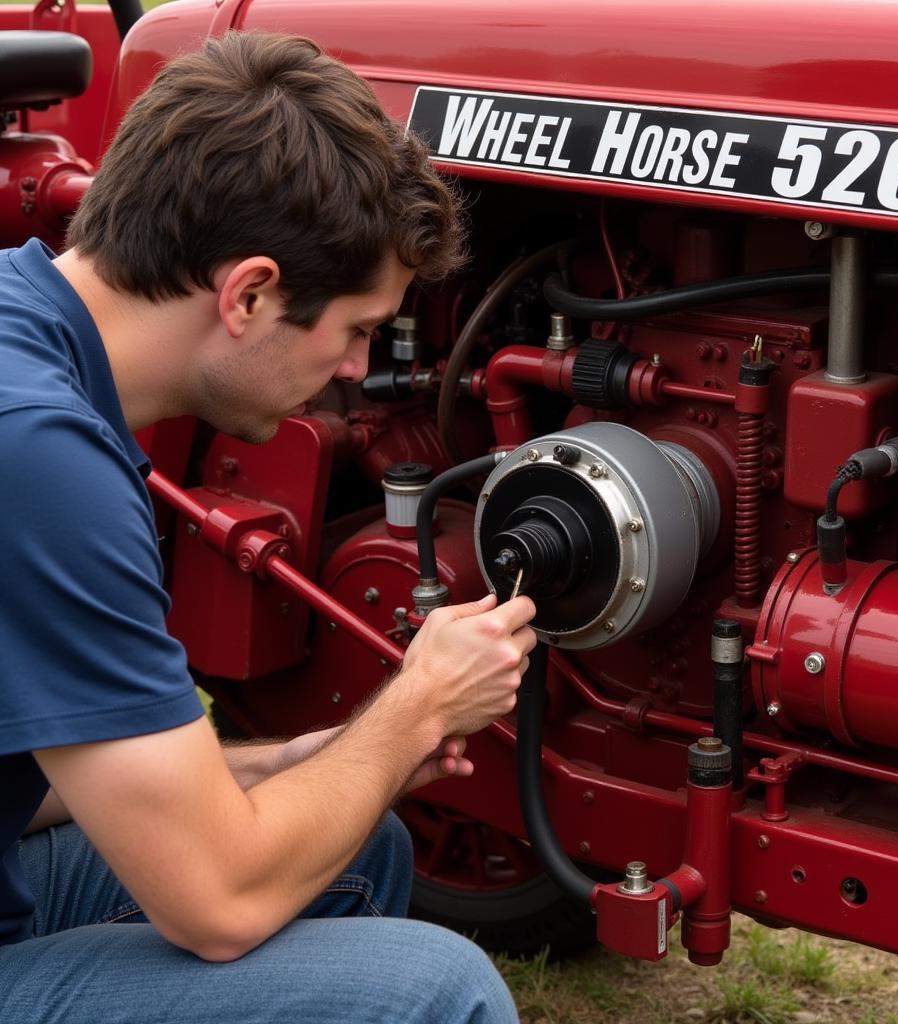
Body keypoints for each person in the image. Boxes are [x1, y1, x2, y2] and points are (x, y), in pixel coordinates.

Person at [0, 30, 535, 1024]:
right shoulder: (41, 457)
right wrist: (416, 702)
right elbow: (218, 904)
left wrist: (295, 762)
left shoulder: (23, 331)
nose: (352, 370)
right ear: (247, 293)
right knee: (435, 992)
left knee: (356, 840)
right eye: (357, 330)